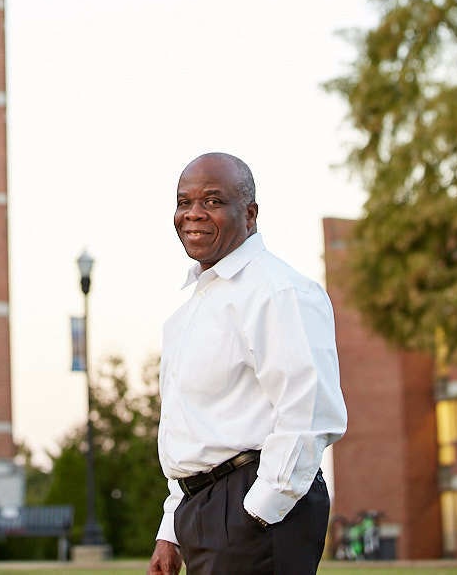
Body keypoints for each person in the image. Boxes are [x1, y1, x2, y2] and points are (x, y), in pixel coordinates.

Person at [147, 152, 347, 575]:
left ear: (250, 214)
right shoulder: (187, 314)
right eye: (185, 202)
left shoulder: (279, 292)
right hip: (200, 511)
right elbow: (192, 429)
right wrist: (172, 529)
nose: (194, 214)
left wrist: (257, 514)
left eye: (213, 201)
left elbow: (308, 414)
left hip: (252, 508)